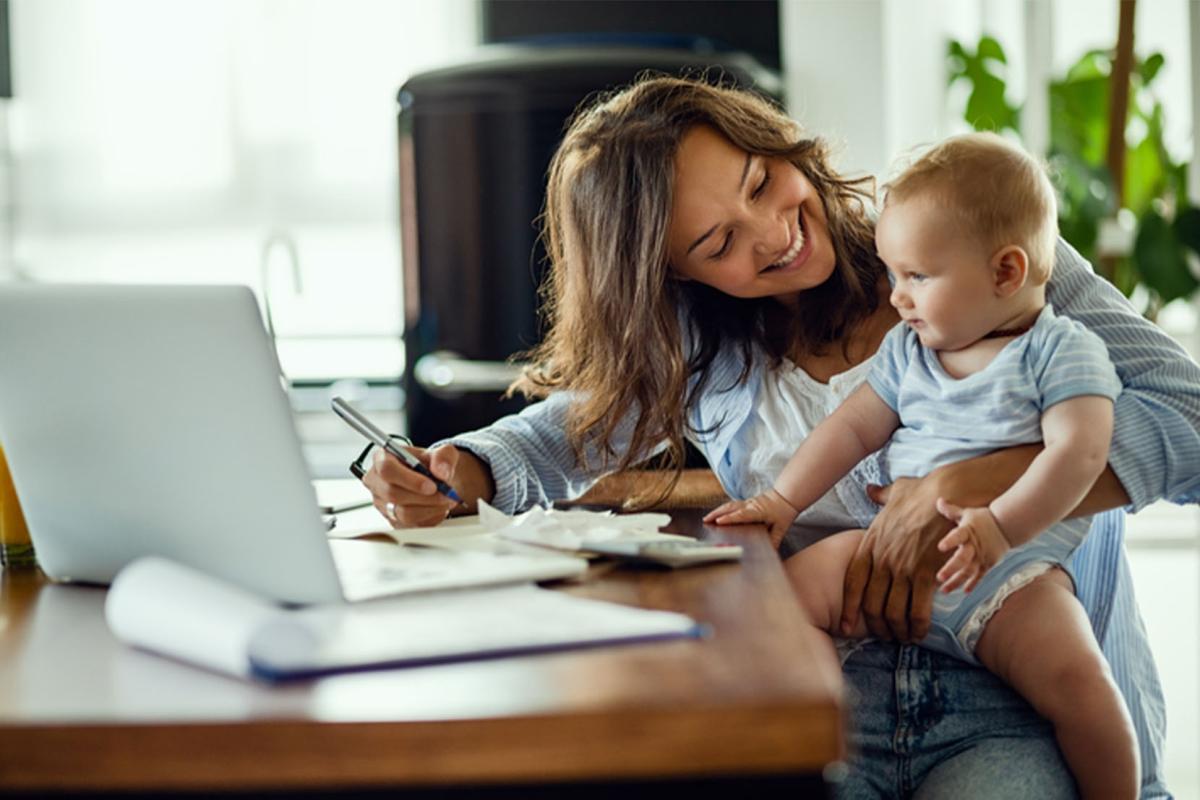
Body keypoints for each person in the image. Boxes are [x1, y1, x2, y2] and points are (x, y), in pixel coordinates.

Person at [363, 75, 1200, 798]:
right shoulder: (703, 343)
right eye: (719, 241)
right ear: (672, 274)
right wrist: (457, 467)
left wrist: (962, 485)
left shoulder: (969, 246)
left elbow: (1192, 424)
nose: (775, 232)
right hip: (834, 685)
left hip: (1020, 686)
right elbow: (559, 434)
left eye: (763, 182)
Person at [706, 132, 1136, 798]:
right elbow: (850, 428)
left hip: (1009, 576)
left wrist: (999, 524)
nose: (897, 297)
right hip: (883, 554)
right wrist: (783, 501)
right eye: (893, 274)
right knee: (783, 594)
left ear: (1005, 274)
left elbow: (1080, 454)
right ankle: (827, 731)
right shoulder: (911, 351)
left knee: (1082, 684)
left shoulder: (1060, 352)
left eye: (917, 277)